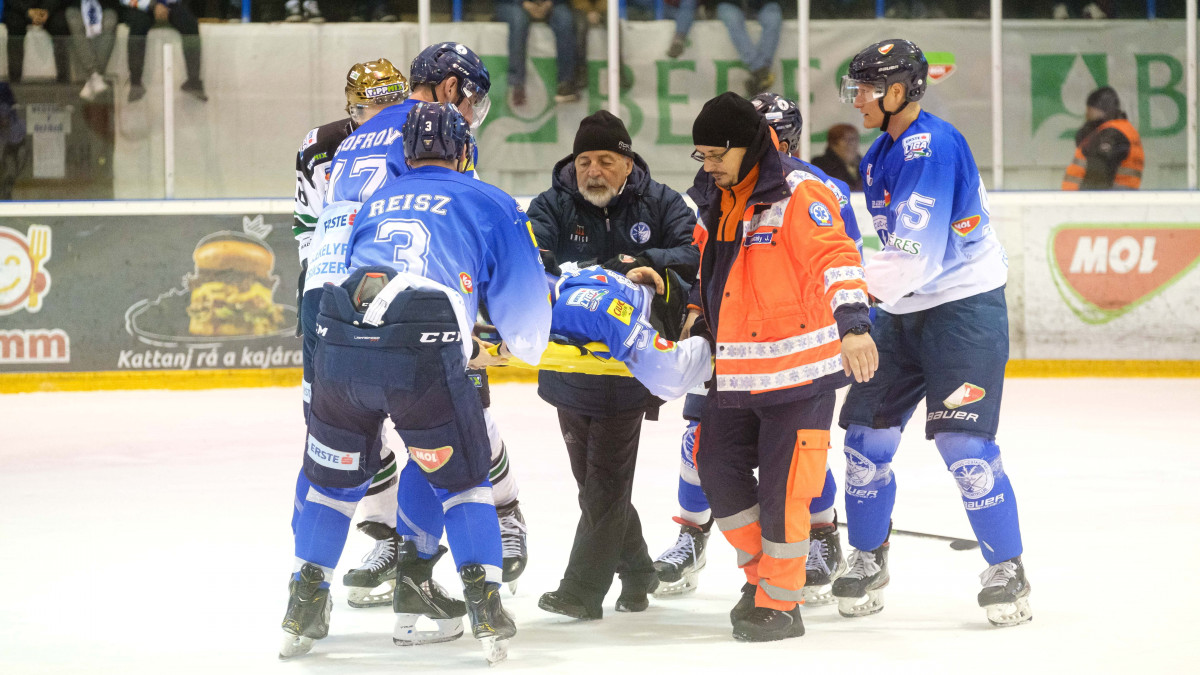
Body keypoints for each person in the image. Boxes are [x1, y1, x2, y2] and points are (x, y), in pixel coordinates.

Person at [281, 102, 550, 664]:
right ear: (463, 150)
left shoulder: (372, 199)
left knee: (333, 483)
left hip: (337, 337)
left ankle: (304, 604)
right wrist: (496, 344)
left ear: (405, 153)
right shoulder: (489, 199)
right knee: (462, 478)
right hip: (423, 346)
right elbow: (528, 326)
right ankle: (486, 604)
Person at [835, 38, 1031, 628]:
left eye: (867, 87)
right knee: (864, 442)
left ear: (899, 91)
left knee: (965, 449)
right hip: (903, 311)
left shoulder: (932, 146)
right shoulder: (878, 153)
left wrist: (847, 303)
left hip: (963, 311)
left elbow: (916, 256)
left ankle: (1008, 567)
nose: (857, 98)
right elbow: (898, 254)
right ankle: (868, 558)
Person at [652, 91, 860, 606]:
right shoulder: (715, 197)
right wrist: (698, 322)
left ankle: (776, 599)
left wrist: (854, 324)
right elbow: (709, 269)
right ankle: (762, 571)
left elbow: (837, 256)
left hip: (799, 374)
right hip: (736, 370)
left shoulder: (801, 191)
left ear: (746, 146)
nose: (709, 165)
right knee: (715, 466)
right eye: (701, 155)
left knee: (785, 491)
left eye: (717, 154)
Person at [528, 109, 698, 620]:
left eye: (605, 159)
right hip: (567, 367)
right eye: (584, 160)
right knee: (594, 481)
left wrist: (650, 269)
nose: (593, 171)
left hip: (632, 367)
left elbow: (696, 255)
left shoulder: (664, 202)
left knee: (603, 479)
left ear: (628, 163)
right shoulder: (550, 206)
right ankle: (640, 571)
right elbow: (529, 262)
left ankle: (581, 592)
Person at [293, 57, 411, 608]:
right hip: (339, 296)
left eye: (387, 106)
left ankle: (415, 548)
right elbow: (306, 227)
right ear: (351, 108)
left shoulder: (421, 132)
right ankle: (384, 537)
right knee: (336, 433)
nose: (377, 118)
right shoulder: (317, 147)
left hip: (391, 300)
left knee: (425, 423)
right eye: (368, 108)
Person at [119, 0, 207, 102]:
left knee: (190, 24)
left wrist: (164, 5)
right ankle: (135, 83)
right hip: (139, 6)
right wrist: (152, 5)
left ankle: (194, 81)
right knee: (139, 25)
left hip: (168, 6)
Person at [494, 0, 579, 105]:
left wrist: (549, 3)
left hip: (552, 4)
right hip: (512, 3)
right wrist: (524, 3)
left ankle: (566, 83)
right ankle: (517, 85)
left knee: (564, 20)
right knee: (518, 21)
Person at [1062, 86, 1143, 191]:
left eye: (1090, 110)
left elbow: (1098, 175)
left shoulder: (1111, 134)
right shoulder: (1122, 129)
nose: (1087, 115)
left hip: (1100, 201)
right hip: (1118, 197)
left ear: (1100, 110)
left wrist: (1086, 199)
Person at [715, 0, 781, 96]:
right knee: (732, 19)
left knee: (774, 17)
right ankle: (760, 70)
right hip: (730, 4)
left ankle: (760, 73)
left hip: (763, 4)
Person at [3, 1, 72, 85]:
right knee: (15, 25)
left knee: (60, 25)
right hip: (19, 9)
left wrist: (46, 10)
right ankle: (14, 79)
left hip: (50, 8)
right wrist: (27, 11)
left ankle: (64, 79)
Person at [66, 0, 118, 101]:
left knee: (109, 22)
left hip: (105, 5)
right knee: (74, 21)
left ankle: (92, 77)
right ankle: (95, 75)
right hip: (76, 6)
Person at [811, 123, 863, 191]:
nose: (852, 143)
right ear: (833, 143)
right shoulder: (821, 164)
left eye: (855, 139)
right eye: (846, 139)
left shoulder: (865, 164)